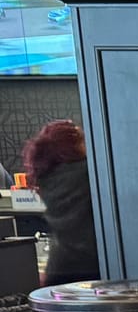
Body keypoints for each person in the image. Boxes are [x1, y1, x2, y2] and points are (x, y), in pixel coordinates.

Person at [22, 121, 99, 286]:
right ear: (73, 145)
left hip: (59, 268)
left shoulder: (45, 178)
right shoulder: (91, 172)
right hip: (95, 267)